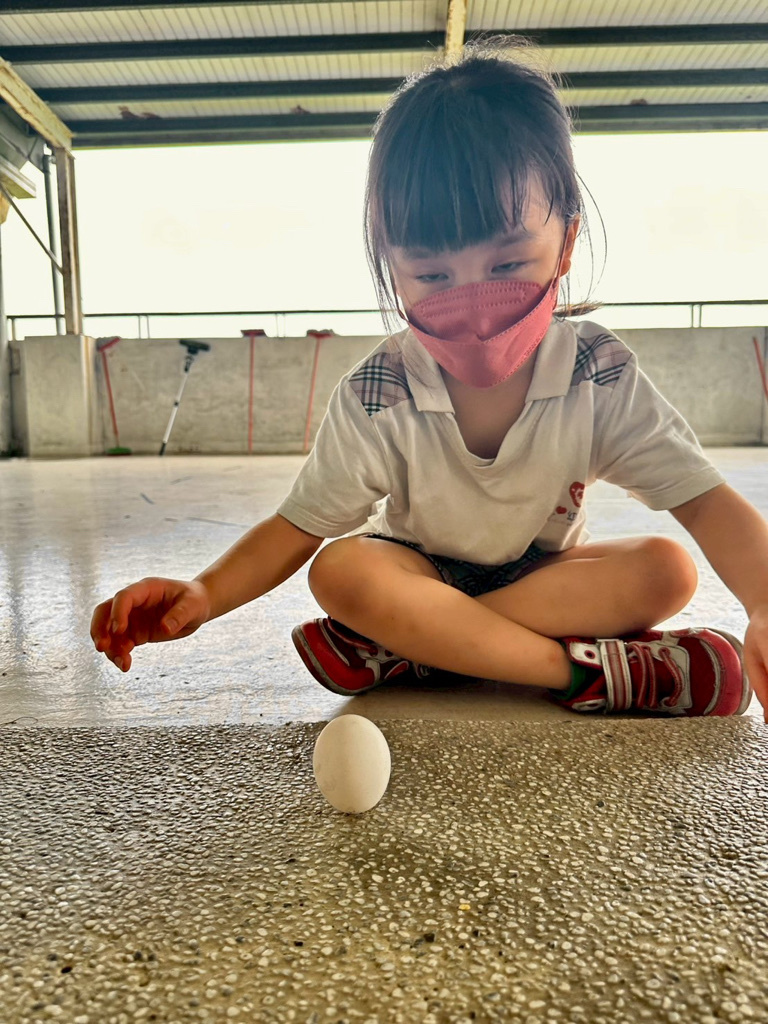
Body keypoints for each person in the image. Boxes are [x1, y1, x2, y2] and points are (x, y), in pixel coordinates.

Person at [91, 36, 768, 721]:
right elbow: (298, 527)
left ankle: (405, 646)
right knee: (342, 571)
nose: (473, 304)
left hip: (542, 579)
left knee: (667, 568)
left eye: (508, 266)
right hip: (416, 571)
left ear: (566, 242)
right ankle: (581, 673)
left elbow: (705, 502)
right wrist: (206, 593)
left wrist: (765, 604)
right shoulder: (380, 392)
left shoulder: (598, 373)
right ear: (392, 268)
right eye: (433, 275)